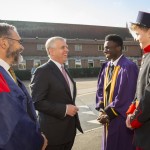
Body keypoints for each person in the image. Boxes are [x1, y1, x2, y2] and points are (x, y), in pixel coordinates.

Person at [30, 36, 83, 150]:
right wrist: (64, 109)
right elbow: (37, 102)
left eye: (67, 47)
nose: (67, 50)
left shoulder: (64, 69)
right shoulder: (43, 71)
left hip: (68, 132)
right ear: (51, 51)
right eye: (63, 47)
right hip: (53, 136)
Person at [0, 23, 47, 150]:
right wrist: (38, 141)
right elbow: (11, 122)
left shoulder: (8, 73)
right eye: (19, 41)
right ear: (4, 43)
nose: (22, 47)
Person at [96, 34, 138, 150]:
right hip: (107, 118)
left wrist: (108, 113)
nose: (105, 51)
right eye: (104, 48)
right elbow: (100, 90)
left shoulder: (128, 67)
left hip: (120, 119)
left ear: (118, 48)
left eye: (108, 48)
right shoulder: (106, 66)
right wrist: (101, 109)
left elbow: (127, 95)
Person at [126, 11, 150, 150]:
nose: (136, 38)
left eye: (138, 34)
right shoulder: (147, 55)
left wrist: (135, 119)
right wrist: (132, 109)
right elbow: (141, 89)